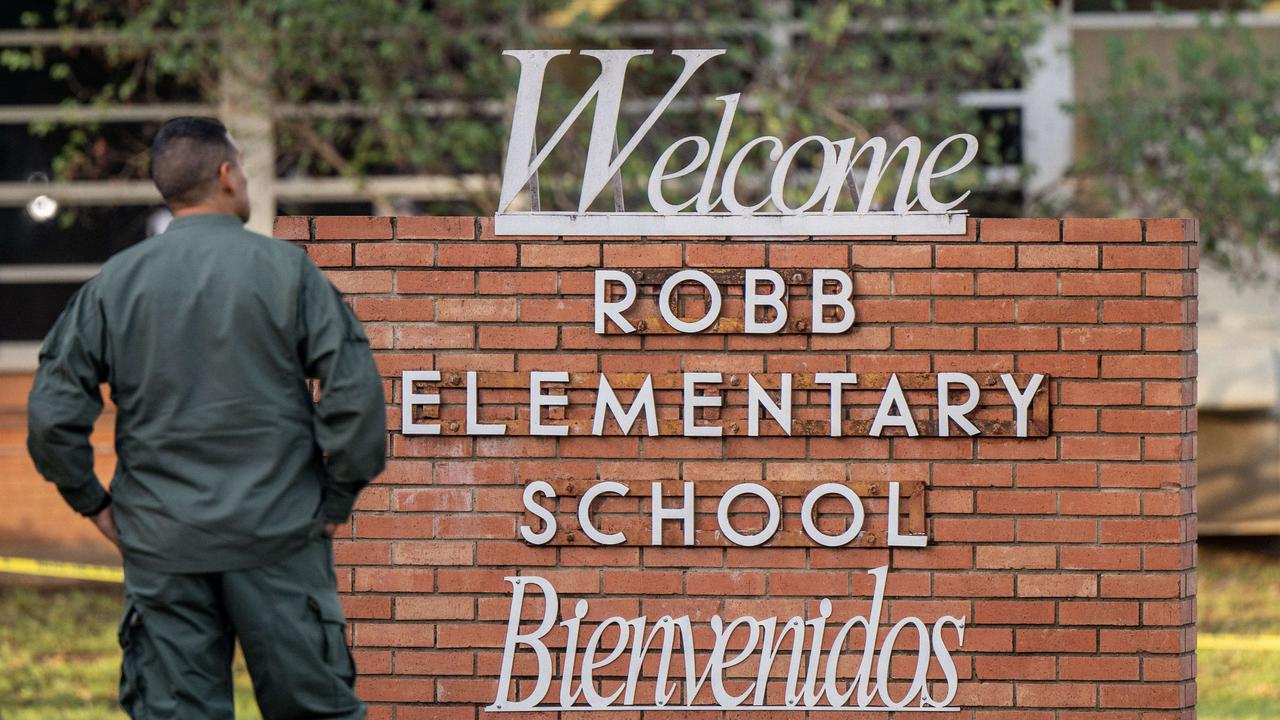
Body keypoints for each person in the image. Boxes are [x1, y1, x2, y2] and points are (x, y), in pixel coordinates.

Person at [26, 116, 387, 720]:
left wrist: (92, 501)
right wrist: (334, 502)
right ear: (225, 176)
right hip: (281, 538)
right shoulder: (290, 274)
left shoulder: (114, 284)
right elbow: (355, 397)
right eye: (242, 169)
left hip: (163, 543)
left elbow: (50, 416)